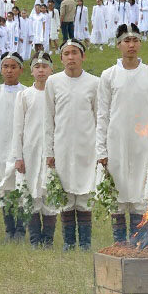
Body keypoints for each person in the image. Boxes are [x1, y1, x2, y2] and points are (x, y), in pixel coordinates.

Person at [96, 24, 148, 243]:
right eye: (126, 41)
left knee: (139, 192)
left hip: (142, 142)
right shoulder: (108, 75)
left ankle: (138, 241)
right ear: (118, 45)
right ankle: (119, 242)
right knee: (118, 190)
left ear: (140, 43)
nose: (131, 45)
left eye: (135, 41)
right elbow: (102, 114)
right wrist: (101, 149)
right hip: (116, 142)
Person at [45, 39, 99, 251]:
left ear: (83, 56)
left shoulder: (94, 83)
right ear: (61, 58)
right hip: (62, 147)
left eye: (75, 53)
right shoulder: (53, 82)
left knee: (84, 193)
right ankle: (69, 242)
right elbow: (48, 119)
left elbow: (100, 118)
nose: (71, 57)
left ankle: (85, 243)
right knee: (66, 193)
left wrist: (101, 151)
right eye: (66, 54)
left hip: (87, 146)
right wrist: (49, 151)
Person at [13, 51, 57, 247]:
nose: (41, 71)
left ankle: (48, 239)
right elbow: (18, 129)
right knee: (31, 195)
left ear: (52, 69)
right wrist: (18, 156)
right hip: (30, 152)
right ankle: (35, 239)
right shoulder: (24, 96)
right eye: (37, 67)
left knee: (49, 195)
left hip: (51, 154)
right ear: (31, 72)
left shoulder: (56, 93)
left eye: (45, 67)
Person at [0, 52, 28, 241]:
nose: (9, 70)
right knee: (5, 189)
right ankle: (9, 228)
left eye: (13, 67)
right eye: (6, 67)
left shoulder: (26, 93)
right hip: (0, 148)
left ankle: (21, 229)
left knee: (20, 188)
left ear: (21, 69)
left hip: (20, 150)